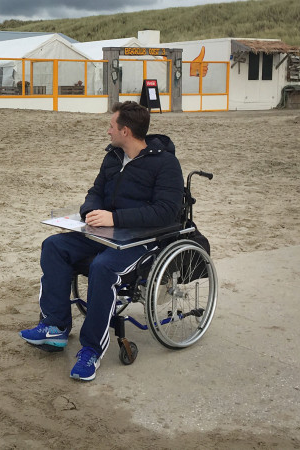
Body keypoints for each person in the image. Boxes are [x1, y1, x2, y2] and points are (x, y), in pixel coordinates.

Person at [20, 101, 184, 381]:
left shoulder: (165, 163)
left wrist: (115, 218)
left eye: (111, 126)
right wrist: (90, 212)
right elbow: (94, 192)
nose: (108, 132)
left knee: (102, 268)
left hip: (141, 240)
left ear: (126, 131)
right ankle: (56, 327)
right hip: (103, 232)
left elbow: (168, 212)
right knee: (54, 246)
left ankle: (91, 350)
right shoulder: (113, 157)